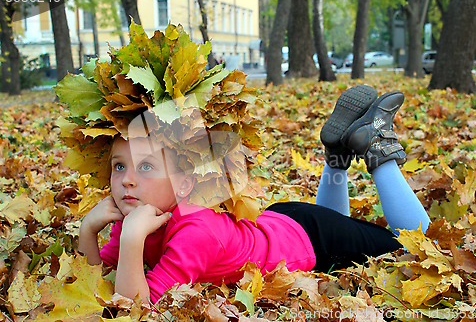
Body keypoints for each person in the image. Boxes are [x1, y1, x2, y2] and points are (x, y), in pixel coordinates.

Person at [78, 85, 431, 305]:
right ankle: (337, 155)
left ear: (184, 185)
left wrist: (132, 240)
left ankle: (377, 146)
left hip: (311, 241)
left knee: (418, 244)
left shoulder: (194, 233)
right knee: (347, 226)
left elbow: (136, 307)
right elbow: (102, 278)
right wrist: (88, 232)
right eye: (119, 166)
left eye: (146, 167)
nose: (127, 180)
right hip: (282, 223)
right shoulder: (137, 214)